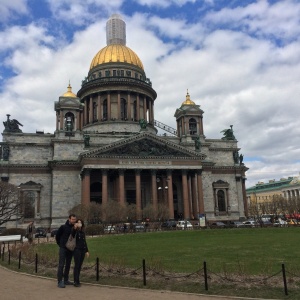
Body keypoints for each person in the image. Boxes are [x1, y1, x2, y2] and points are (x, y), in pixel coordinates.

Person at [55, 214, 77, 288]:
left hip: (70, 249)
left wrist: (75, 228)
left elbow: (74, 236)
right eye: (73, 219)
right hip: (63, 248)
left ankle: (66, 279)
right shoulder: (63, 227)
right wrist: (60, 244)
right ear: (69, 219)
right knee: (61, 264)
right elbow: (57, 236)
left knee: (68, 264)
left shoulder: (75, 228)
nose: (74, 221)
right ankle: (60, 281)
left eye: (75, 219)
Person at [72, 219, 89, 287]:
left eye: (80, 222)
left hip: (82, 250)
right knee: (77, 265)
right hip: (77, 250)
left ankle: (77, 280)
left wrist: (87, 251)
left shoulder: (82, 232)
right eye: (78, 222)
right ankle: (75, 281)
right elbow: (72, 234)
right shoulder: (75, 231)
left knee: (79, 266)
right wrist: (75, 228)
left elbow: (84, 242)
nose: (79, 223)